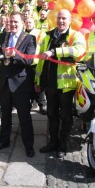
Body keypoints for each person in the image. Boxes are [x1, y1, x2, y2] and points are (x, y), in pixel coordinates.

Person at [35, 9, 86, 158]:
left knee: (66, 116)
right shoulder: (48, 36)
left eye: (64, 18)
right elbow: (41, 60)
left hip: (66, 85)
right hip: (50, 83)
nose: (61, 21)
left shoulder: (76, 35)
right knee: (51, 114)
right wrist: (38, 80)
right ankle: (53, 142)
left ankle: (63, 145)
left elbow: (79, 50)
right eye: (59, 18)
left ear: (70, 20)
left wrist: (55, 52)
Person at [0, 12, 36, 158]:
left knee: (24, 116)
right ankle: (4, 141)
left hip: (20, 83)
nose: (13, 25)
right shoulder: (3, 36)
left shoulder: (29, 38)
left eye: (16, 22)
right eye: (11, 22)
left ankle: (28, 145)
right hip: (4, 82)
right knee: (5, 115)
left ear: (22, 23)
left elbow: (30, 60)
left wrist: (15, 55)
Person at [24, 17, 47, 115]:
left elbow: (44, 46)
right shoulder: (22, 33)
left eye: (30, 22)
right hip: (26, 63)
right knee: (28, 85)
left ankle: (42, 105)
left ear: (34, 23)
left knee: (39, 84)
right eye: (27, 22)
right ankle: (30, 103)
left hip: (37, 62)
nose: (28, 24)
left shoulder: (40, 33)